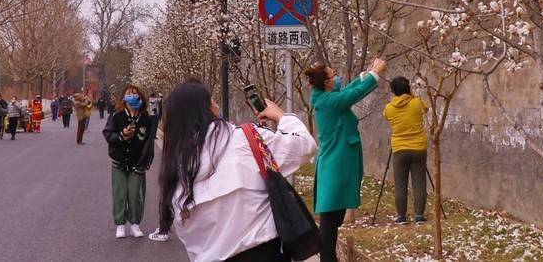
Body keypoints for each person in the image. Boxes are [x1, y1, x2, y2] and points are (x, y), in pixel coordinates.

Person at [158, 81, 316, 261]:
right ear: (209, 107)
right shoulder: (246, 139)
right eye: (212, 100)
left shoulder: (175, 169)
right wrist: (282, 116)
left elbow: (187, 236)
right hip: (264, 252)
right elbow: (304, 145)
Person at [306, 57, 386, 262]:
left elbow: (347, 90)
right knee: (330, 222)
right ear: (327, 83)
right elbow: (353, 95)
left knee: (331, 221)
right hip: (335, 167)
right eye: (334, 75)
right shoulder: (330, 102)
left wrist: (366, 75)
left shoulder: (326, 98)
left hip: (335, 166)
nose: (338, 77)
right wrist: (375, 74)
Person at [103, 85, 155, 238]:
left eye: (135, 93)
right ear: (124, 98)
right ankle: (120, 224)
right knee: (120, 193)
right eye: (128, 94)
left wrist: (145, 162)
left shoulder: (145, 118)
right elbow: (108, 134)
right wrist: (121, 136)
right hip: (119, 163)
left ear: (140, 96)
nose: (132, 96)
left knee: (135, 195)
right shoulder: (117, 116)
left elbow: (149, 143)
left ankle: (135, 224)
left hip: (137, 164)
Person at [383, 76, 430, 224]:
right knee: (419, 182)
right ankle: (419, 215)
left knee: (400, 184)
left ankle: (402, 216)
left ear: (393, 91)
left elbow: (386, 117)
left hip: (399, 149)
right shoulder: (417, 103)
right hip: (418, 148)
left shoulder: (389, 108)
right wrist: (414, 96)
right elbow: (426, 108)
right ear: (408, 88)